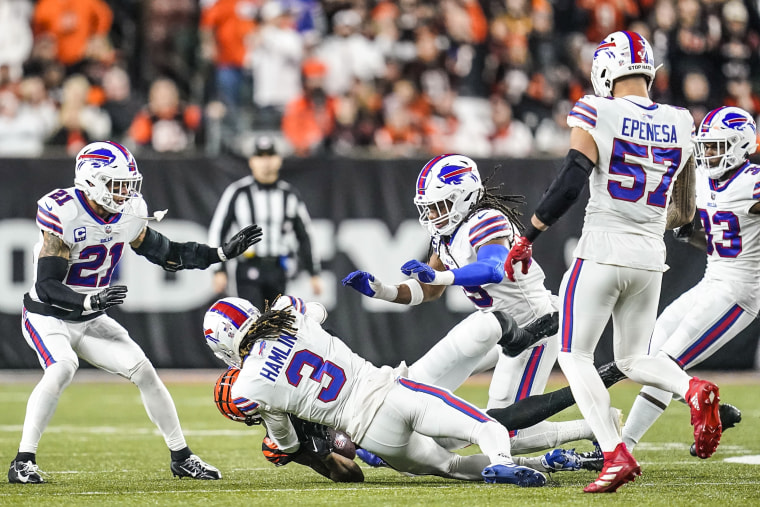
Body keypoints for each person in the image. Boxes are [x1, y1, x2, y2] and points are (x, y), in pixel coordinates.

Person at [504, 31, 723, 493]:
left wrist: (529, 235)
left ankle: (613, 452)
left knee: (575, 354)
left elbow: (570, 182)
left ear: (605, 68)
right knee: (633, 357)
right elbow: (682, 210)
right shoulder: (681, 121)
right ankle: (693, 390)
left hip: (603, 245)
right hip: (650, 254)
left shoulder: (595, 108)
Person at [8, 141, 263, 484]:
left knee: (144, 371)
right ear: (92, 181)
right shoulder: (65, 212)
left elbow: (168, 254)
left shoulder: (128, 213)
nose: (125, 191)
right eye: (117, 183)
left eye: (128, 183)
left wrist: (220, 253)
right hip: (47, 313)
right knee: (62, 367)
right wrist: (90, 302)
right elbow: (47, 285)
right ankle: (23, 461)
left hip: (89, 317)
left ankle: (182, 456)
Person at [342, 153, 605, 457]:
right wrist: (383, 291)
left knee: (506, 432)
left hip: (533, 329)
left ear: (463, 197)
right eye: (428, 208)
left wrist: (444, 275)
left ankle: (595, 427)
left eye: (439, 205)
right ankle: (397, 437)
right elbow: (429, 290)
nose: (433, 214)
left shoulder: (487, 220)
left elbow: (493, 267)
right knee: (419, 386)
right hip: (494, 327)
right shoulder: (446, 234)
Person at [202, 294, 549, 486]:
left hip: (370, 434)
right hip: (388, 390)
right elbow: (319, 310)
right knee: (480, 425)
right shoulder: (288, 312)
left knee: (451, 466)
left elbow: (287, 444)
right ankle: (502, 460)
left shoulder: (247, 387)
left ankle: (529, 465)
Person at [621, 106, 757, 453]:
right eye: (707, 146)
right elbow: (713, 242)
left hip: (739, 292)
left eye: (718, 146)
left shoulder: (752, 182)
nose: (709, 153)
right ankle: (712, 410)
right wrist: (687, 232)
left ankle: (621, 447)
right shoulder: (702, 177)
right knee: (650, 359)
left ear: (742, 145)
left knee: (665, 363)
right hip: (712, 281)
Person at [208, 135, 322, 308]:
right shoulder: (238, 192)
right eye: (260, 156)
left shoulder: (289, 194)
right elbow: (218, 230)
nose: (265, 162)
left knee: (275, 325)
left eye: (270, 156)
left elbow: (304, 234)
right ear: (252, 161)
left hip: (278, 268)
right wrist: (218, 269)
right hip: (248, 266)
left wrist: (314, 272)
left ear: (279, 160)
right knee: (251, 324)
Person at [212, 364, 364, 483]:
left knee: (344, 445)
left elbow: (353, 474)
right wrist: (322, 455)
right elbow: (351, 475)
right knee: (273, 450)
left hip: (343, 401)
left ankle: (371, 451)